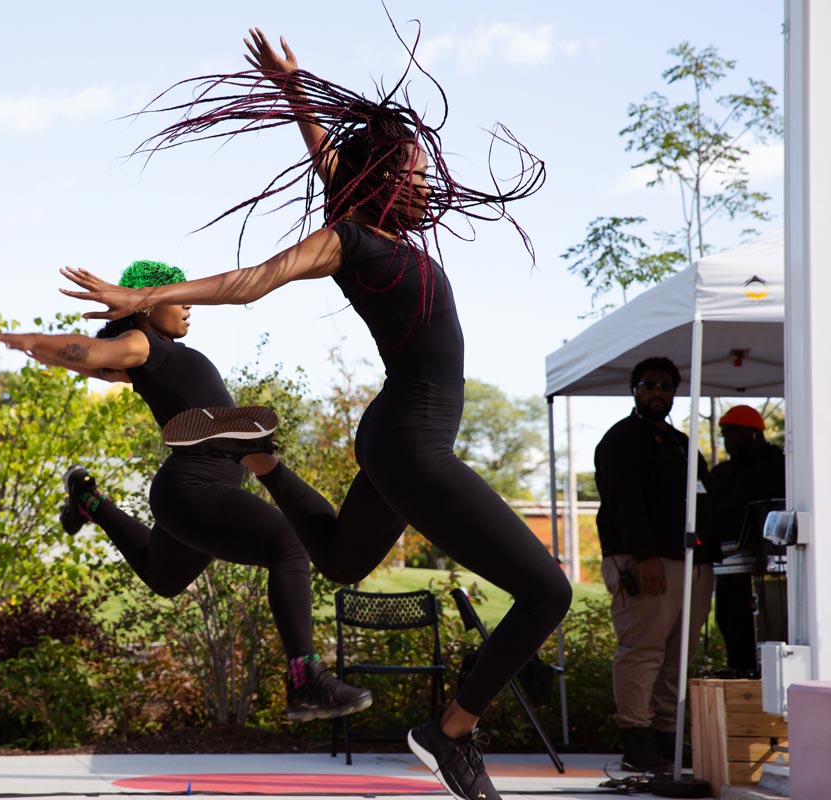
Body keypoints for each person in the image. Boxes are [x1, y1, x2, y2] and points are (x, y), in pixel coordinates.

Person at [61, 31, 571, 800]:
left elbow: (326, 154)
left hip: (397, 433)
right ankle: (449, 734)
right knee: (548, 592)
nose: (426, 181)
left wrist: (296, 89)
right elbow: (252, 281)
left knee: (337, 559)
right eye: (415, 171)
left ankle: (265, 461)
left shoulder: (374, 224)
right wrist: (140, 300)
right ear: (386, 179)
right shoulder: (349, 241)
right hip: (411, 441)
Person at [0, 259, 372, 723]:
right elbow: (91, 353)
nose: (189, 304)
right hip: (194, 487)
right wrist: (35, 343)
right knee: (289, 546)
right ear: (145, 307)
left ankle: (88, 500)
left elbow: (96, 362)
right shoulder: (143, 344)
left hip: (188, 495)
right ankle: (306, 680)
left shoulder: (155, 354)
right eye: (176, 296)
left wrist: (55, 351)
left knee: (163, 578)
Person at [594, 356, 718, 772]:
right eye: (649, 385)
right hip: (643, 561)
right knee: (642, 651)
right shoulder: (620, 440)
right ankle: (636, 741)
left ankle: (668, 739)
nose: (657, 393)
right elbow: (625, 503)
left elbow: (702, 502)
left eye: (666, 387)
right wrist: (645, 557)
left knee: (676, 657)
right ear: (635, 389)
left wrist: (706, 560)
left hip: (691, 562)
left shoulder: (685, 445)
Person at [708, 405, 785, 676]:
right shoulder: (721, 473)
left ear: (753, 433)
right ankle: (740, 679)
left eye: (732, 434)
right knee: (728, 624)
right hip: (729, 567)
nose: (727, 441)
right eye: (724, 434)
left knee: (756, 628)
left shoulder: (778, 465)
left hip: (768, 568)